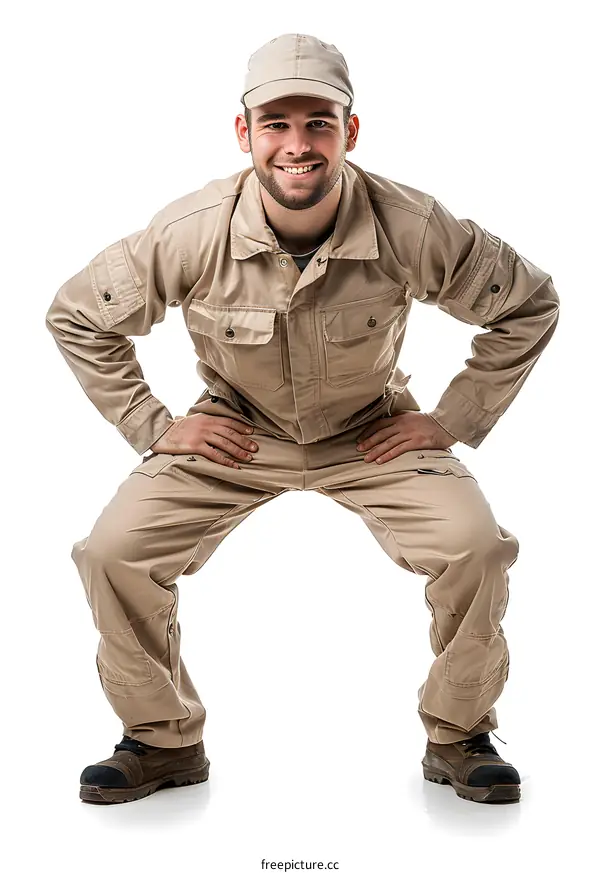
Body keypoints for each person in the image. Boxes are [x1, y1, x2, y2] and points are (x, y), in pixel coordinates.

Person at [45, 32, 559, 806]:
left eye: (319, 122)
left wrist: (451, 419)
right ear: (243, 132)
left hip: (371, 432)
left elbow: (528, 303)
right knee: (111, 553)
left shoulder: (411, 223)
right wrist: (152, 425)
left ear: (350, 131)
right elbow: (78, 315)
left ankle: (459, 734)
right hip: (236, 432)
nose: (297, 144)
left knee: (476, 547)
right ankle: (161, 740)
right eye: (276, 123)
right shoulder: (191, 231)